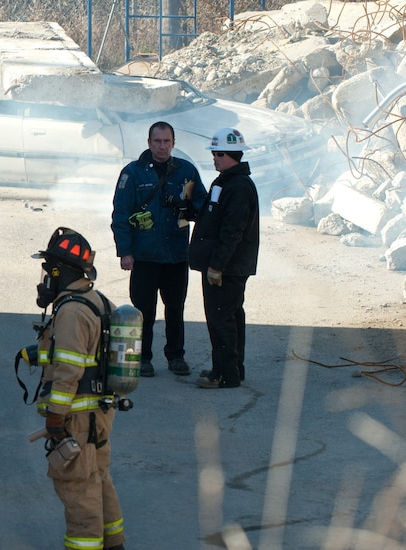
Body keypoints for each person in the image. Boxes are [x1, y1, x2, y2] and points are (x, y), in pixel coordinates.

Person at [32, 227, 127, 550]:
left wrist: (56, 417)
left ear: (59, 271)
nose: (45, 278)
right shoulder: (97, 300)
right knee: (98, 480)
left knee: (78, 489)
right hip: (99, 412)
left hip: (77, 416)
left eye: (48, 271)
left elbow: (70, 371)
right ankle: (114, 543)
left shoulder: (71, 311)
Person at [111, 121, 208, 378]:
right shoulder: (132, 173)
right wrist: (125, 251)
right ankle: (143, 358)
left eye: (166, 141)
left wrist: (184, 206)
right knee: (143, 310)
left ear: (173, 143)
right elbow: (121, 215)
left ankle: (176, 356)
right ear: (148, 142)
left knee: (175, 308)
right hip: (144, 255)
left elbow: (202, 205)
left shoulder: (186, 171)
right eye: (157, 141)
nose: (162, 146)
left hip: (176, 254)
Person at [189, 128, 260, 389]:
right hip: (224, 266)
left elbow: (233, 232)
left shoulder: (238, 187)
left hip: (227, 268)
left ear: (230, 155)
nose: (214, 158)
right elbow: (215, 218)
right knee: (229, 317)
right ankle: (232, 368)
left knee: (220, 319)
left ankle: (225, 375)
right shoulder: (224, 182)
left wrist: (217, 266)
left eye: (218, 153)